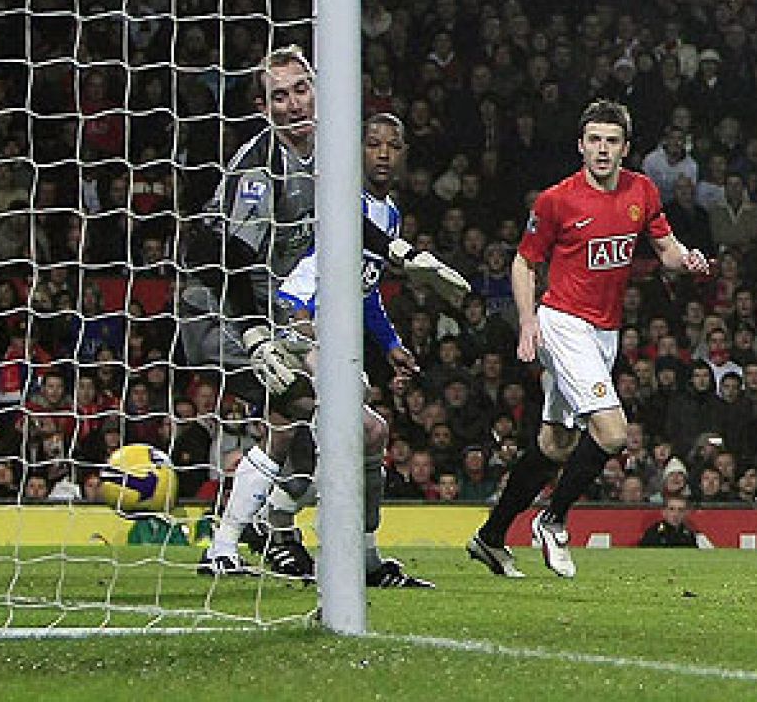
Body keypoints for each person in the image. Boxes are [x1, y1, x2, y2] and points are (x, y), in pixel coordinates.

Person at [179, 53, 465, 583]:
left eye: (301, 90)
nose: (294, 105)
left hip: (274, 311)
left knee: (345, 427)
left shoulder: (326, 153)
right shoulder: (259, 170)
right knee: (311, 411)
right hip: (219, 310)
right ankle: (266, 536)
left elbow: (348, 221)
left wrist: (404, 256)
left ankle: (307, 549)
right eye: (280, 96)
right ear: (263, 107)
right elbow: (221, 259)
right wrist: (253, 332)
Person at [467, 99, 710, 579]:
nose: (602, 149)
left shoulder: (642, 190)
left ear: (625, 148)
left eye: (612, 141)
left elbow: (665, 249)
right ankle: (552, 521)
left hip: (604, 331)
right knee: (614, 432)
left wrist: (688, 259)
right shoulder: (557, 200)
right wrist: (528, 320)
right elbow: (523, 261)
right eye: (594, 140)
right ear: (580, 146)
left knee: (556, 443)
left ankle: (491, 537)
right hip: (562, 322)